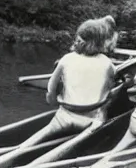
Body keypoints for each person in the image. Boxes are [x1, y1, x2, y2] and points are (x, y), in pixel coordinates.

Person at [22, 19, 116, 150]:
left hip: (64, 117)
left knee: (40, 135)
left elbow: (50, 89)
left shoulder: (66, 59)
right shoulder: (108, 64)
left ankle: (20, 148)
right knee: (106, 104)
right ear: (101, 42)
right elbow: (110, 87)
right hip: (91, 120)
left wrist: (53, 101)